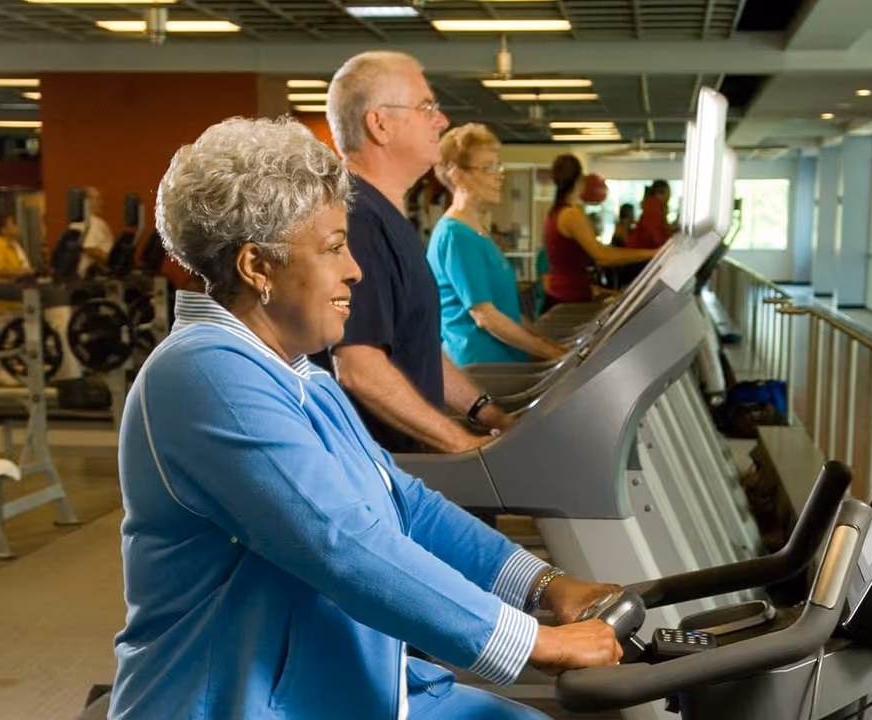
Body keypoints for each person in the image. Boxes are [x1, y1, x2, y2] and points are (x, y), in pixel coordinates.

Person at [108, 115, 624, 720]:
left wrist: (545, 585)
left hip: (348, 686)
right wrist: (532, 641)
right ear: (257, 267)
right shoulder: (204, 375)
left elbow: (406, 505)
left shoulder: (302, 377)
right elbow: (342, 544)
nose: (354, 268)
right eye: (331, 248)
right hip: (234, 702)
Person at [320, 51, 513, 454]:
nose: (441, 121)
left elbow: (413, 345)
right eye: (427, 107)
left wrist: (485, 412)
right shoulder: (357, 220)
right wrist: (463, 445)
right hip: (383, 480)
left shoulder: (383, 215)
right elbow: (359, 368)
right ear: (380, 124)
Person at [427, 123, 565, 366]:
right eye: (488, 167)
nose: (499, 174)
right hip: (480, 370)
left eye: (498, 165)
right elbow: (485, 316)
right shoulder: (455, 234)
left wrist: (552, 345)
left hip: (505, 363)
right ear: (458, 176)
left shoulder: (478, 231)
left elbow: (506, 311)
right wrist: (554, 354)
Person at [542, 154, 655, 312]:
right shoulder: (571, 214)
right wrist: (653, 253)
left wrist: (602, 291)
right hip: (567, 304)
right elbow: (602, 256)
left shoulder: (555, 213)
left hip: (565, 298)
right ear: (580, 180)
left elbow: (569, 267)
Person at [76, 186, 114, 277]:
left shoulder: (97, 222)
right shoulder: (87, 223)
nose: (101, 203)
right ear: (86, 202)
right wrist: (112, 261)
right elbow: (90, 248)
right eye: (97, 199)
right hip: (93, 275)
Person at [630, 179, 678, 251]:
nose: (669, 197)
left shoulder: (653, 207)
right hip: (642, 252)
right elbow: (654, 235)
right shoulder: (653, 209)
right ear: (658, 193)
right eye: (668, 193)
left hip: (641, 251)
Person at [0, 214, 33, 280]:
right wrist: (20, 272)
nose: (17, 227)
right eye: (13, 224)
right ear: (3, 230)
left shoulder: (16, 245)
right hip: (4, 287)